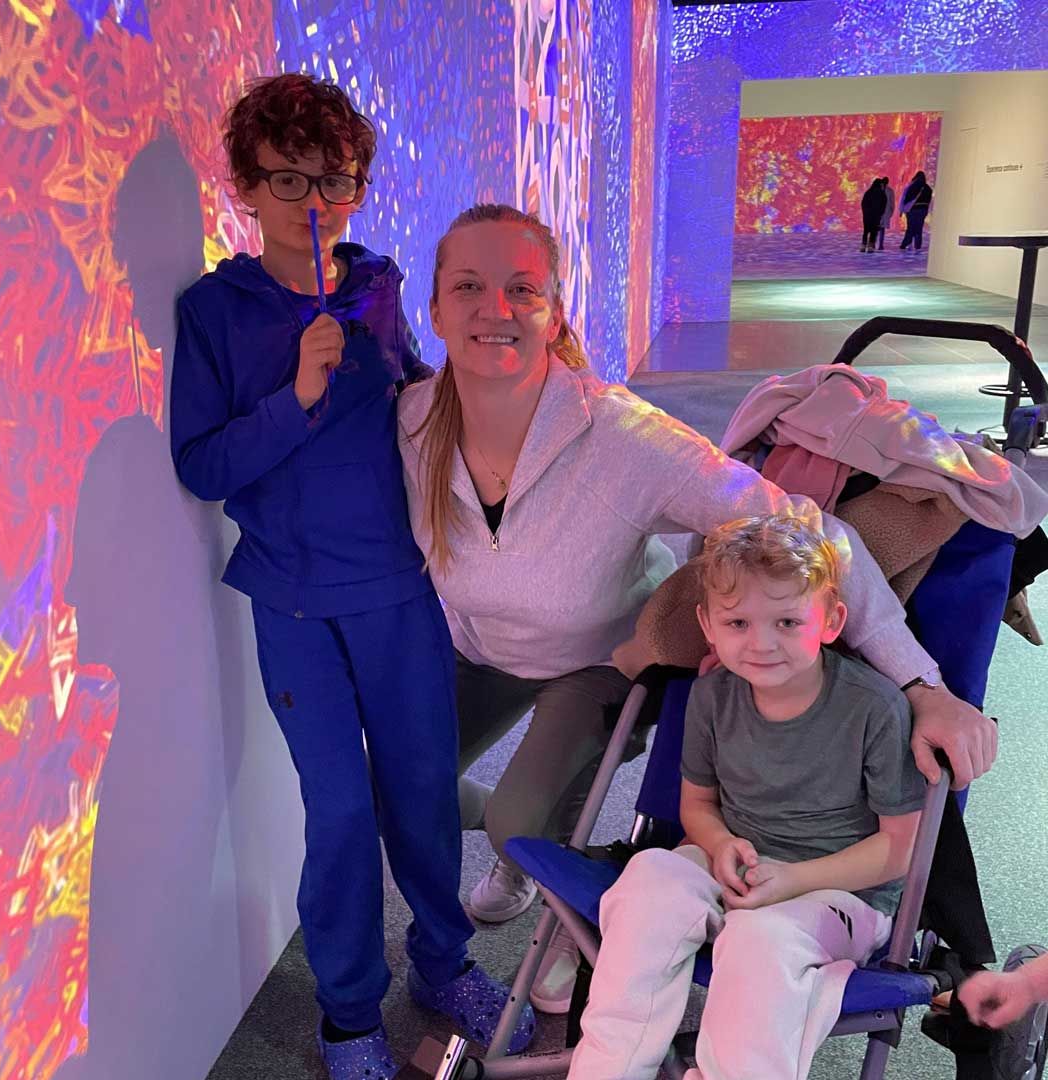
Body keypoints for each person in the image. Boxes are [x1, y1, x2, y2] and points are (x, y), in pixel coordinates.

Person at [396, 203, 997, 1014]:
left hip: (594, 663)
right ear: (434, 309)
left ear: (555, 310)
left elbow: (802, 527)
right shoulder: (412, 424)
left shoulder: (619, 435)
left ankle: (551, 881)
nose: (494, 310)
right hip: (477, 650)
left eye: (522, 289)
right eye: (467, 285)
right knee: (390, 785)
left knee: (519, 824)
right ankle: (524, 822)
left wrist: (922, 684)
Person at [170, 77, 532, 1079]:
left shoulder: (374, 281)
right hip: (293, 605)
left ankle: (446, 959)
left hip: (402, 590)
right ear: (245, 183)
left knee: (421, 790)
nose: (312, 201)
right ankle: (347, 1014)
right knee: (338, 815)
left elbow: (415, 407)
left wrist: (461, 382)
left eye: (333, 178)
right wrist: (298, 393)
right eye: (287, 177)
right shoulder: (215, 310)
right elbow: (201, 464)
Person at [567, 514, 926, 1080]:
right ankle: (608, 1068)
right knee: (647, 884)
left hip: (839, 891)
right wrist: (720, 842)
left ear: (831, 620)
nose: (761, 644)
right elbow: (697, 807)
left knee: (759, 939)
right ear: (708, 626)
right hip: (734, 861)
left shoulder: (874, 708)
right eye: (737, 622)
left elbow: (900, 849)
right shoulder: (711, 697)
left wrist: (791, 881)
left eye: (787, 620)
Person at [900, 170, 933, 252]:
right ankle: (917, 245)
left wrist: (903, 208)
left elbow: (906, 198)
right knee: (919, 228)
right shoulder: (927, 188)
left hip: (912, 209)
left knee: (910, 227)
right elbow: (928, 200)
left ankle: (906, 243)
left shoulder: (912, 186)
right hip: (923, 210)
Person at [860, 177, 886, 253]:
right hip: (876, 215)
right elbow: (883, 205)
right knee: (873, 231)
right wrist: (880, 213)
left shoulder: (868, 192)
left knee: (866, 231)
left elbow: (863, 203)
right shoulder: (881, 193)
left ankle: (863, 246)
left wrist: (865, 212)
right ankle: (871, 247)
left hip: (867, 215)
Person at [877, 175, 895, 249]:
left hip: (878, 211)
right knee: (882, 229)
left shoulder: (877, 189)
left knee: (877, 227)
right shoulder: (890, 191)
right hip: (885, 211)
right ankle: (880, 244)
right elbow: (892, 203)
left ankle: (875, 243)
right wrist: (891, 212)